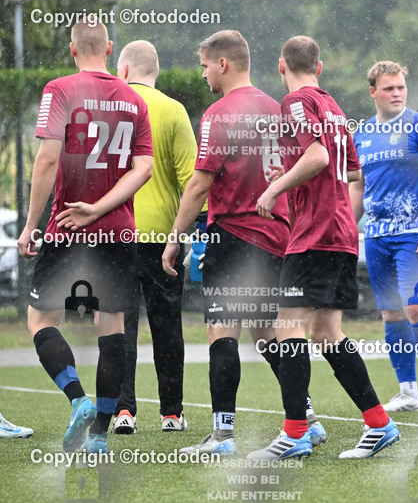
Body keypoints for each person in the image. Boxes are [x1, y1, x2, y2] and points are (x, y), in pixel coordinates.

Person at [161, 30, 322, 456]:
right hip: (278, 235)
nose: (203, 75)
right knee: (269, 333)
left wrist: (175, 239)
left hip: (234, 234)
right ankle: (305, 420)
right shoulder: (279, 109)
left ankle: (222, 435)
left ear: (223, 64)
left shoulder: (219, 114)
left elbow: (198, 185)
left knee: (221, 331)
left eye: (204, 66)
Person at [248, 36, 399, 460]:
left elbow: (316, 158)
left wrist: (276, 188)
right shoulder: (333, 107)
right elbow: (353, 174)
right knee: (326, 333)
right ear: (321, 65)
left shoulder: (295, 102)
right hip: (339, 234)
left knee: (287, 328)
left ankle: (295, 433)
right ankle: (379, 424)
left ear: (282, 66)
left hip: (315, 236)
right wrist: (341, 218)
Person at [18, 20, 153, 453]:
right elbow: (143, 169)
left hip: (67, 226)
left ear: (72, 50)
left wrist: (31, 224)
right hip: (117, 232)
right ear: (110, 49)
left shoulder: (59, 90)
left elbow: (47, 159)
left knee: (42, 320)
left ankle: (78, 401)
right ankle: (98, 437)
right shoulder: (134, 99)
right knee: (111, 326)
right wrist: (103, 207)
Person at [350, 61, 418, 413]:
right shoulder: (359, 134)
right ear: (373, 91)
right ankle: (408, 392)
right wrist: (348, 228)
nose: (396, 94)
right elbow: (358, 187)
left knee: (417, 308)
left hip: (415, 235)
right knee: (392, 315)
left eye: (400, 88)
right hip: (376, 238)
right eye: (388, 88)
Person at [110, 40, 194, 435]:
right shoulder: (173, 110)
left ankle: (123, 411)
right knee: (167, 327)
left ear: (123, 70)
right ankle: (172, 413)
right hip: (164, 239)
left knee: (119, 326)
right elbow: (192, 181)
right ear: (156, 71)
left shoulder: (110, 108)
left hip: (114, 235)